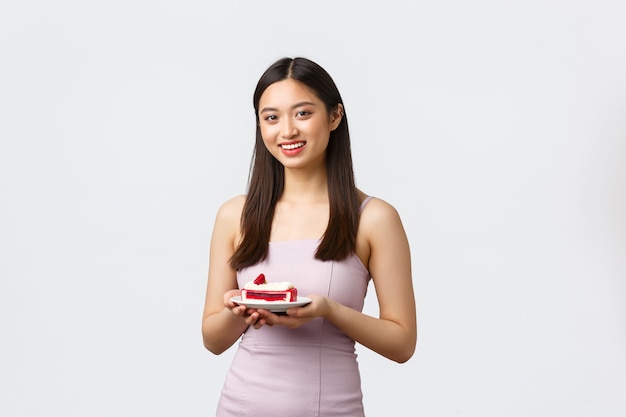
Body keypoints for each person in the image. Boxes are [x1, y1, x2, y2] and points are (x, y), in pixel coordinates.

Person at [201, 56, 417, 417]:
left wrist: (329, 310)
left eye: (302, 113)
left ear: (335, 116)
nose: (286, 131)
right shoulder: (234, 215)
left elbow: (402, 343)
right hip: (240, 407)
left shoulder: (375, 219)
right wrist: (240, 306)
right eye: (271, 117)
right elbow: (213, 340)